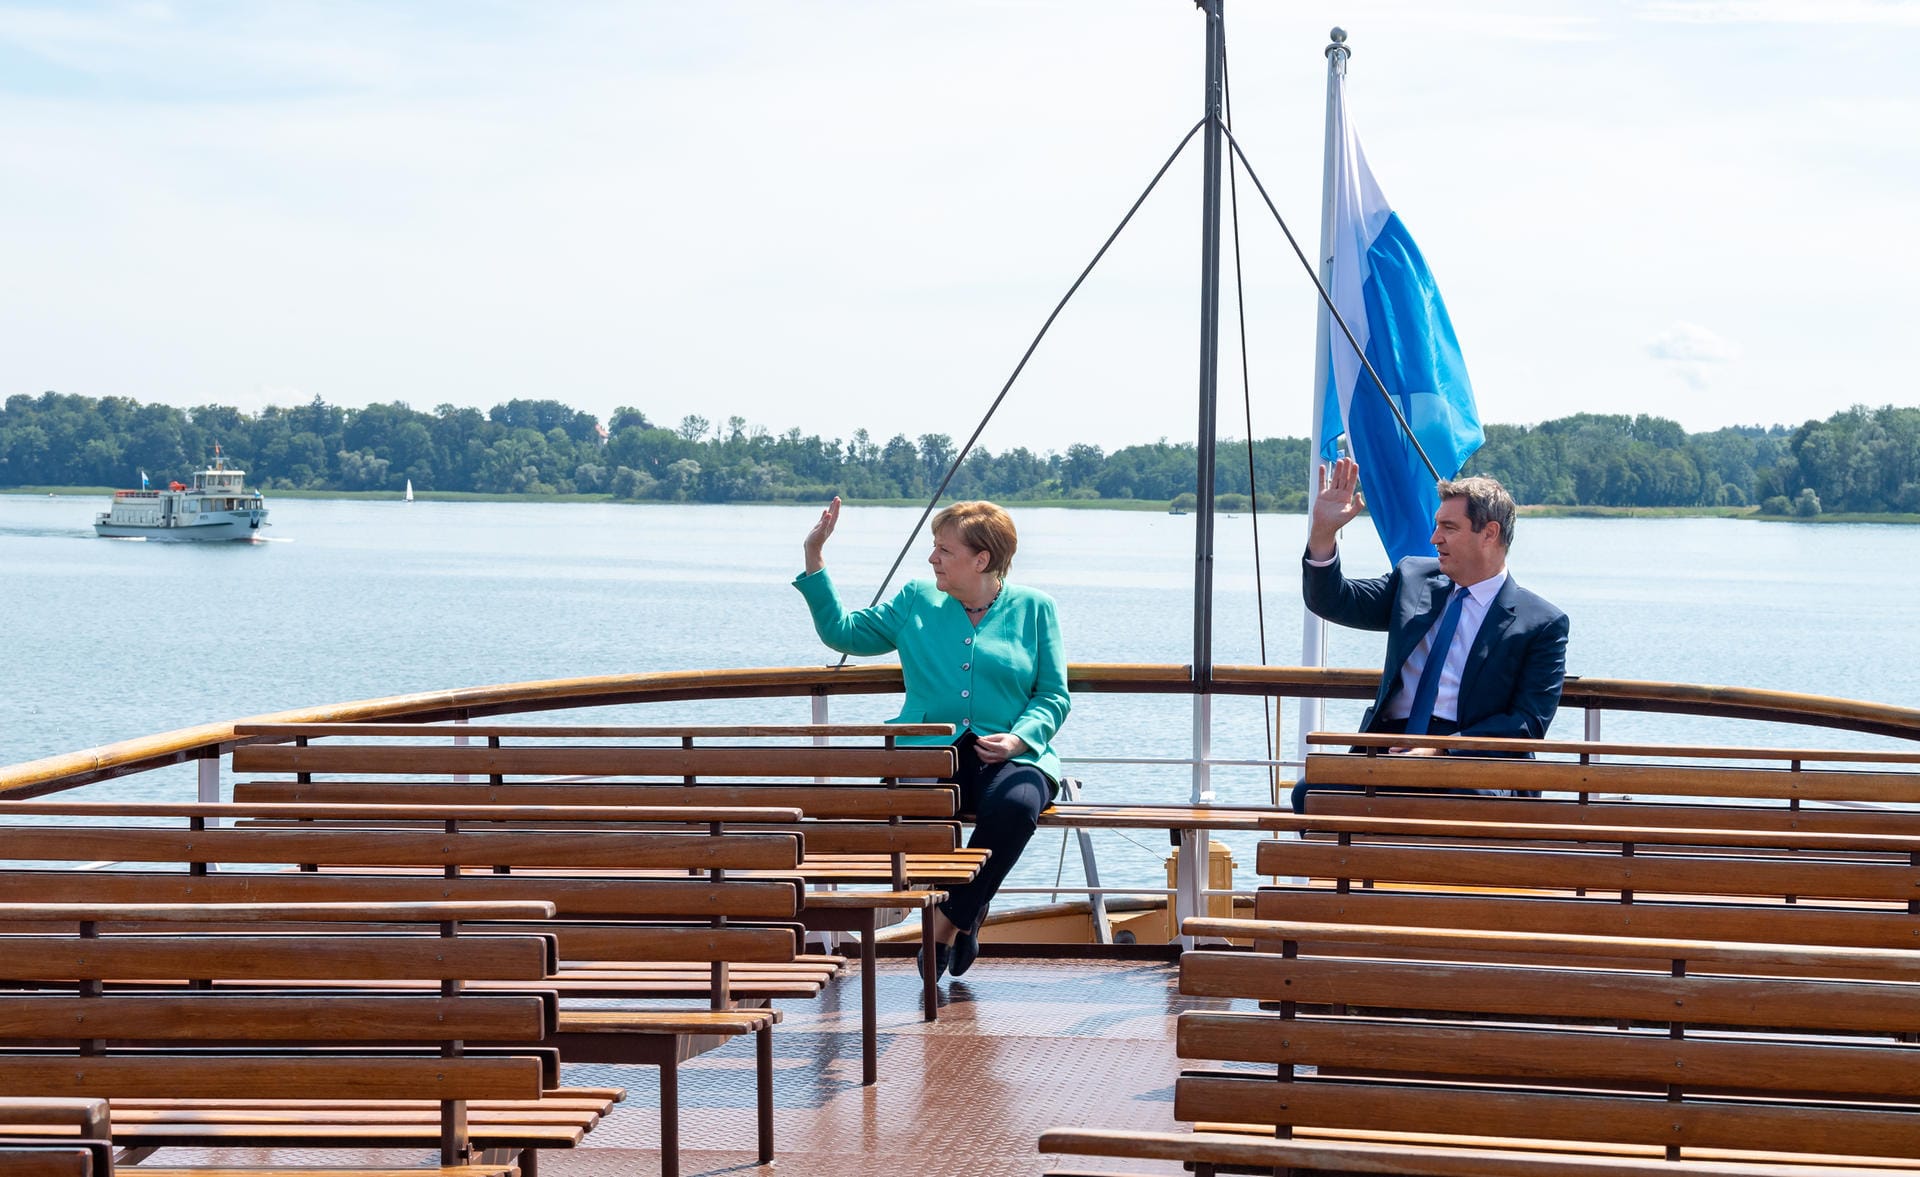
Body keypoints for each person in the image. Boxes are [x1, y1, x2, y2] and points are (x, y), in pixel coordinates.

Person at [794, 496, 1070, 981]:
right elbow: (842, 633)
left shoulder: (1035, 608)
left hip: (1011, 753)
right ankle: (969, 914)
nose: (932, 558)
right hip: (927, 753)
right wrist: (814, 554)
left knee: (1016, 806)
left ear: (980, 559)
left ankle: (945, 924)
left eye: (944, 549)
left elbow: (1052, 695)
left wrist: (1019, 740)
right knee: (920, 816)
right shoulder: (917, 599)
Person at [1294, 456, 1569, 812]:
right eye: (1437, 525)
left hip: (1472, 764)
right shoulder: (1413, 579)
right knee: (1312, 795)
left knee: (1460, 806)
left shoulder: (1542, 622)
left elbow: (1527, 723)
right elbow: (1333, 601)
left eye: (1449, 528)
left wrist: (1443, 747)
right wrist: (1323, 533)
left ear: (1489, 533)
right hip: (1388, 749)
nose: (1434, 538)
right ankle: (1356, 870)